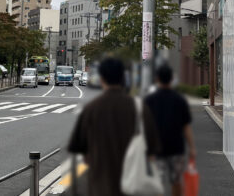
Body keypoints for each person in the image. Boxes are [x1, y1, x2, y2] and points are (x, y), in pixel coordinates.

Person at [68, 57, 160, 196]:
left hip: (100, 185)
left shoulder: (91, 109)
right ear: (123, 78)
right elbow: (152, 153)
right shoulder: (139, 108)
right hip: (133, 186)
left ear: (102, 78)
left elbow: (81, 152)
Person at [144, 64, 197, 196]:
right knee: (176, 181)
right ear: (172, 79)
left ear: (157, 79)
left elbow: (146, 126)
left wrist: (147, 148)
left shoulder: (149, 100)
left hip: (156, 149)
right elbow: (186, 126)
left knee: (157, 183)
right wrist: (192, 148)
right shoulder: (180, 100)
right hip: (176, 148)